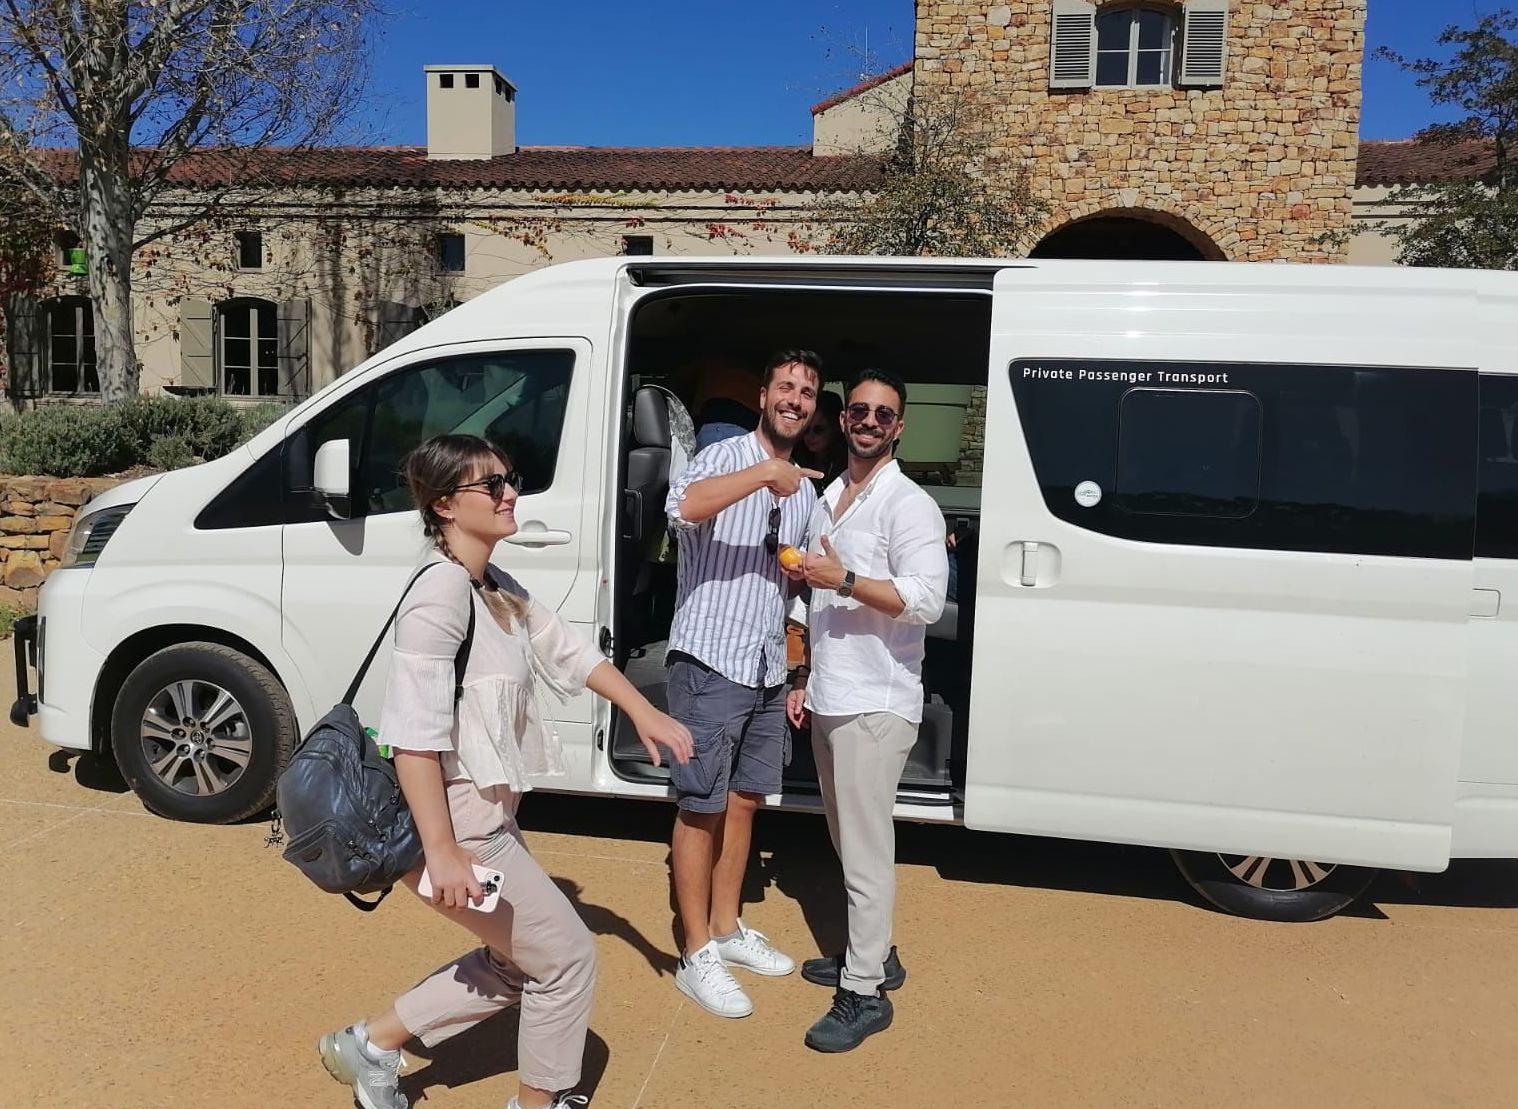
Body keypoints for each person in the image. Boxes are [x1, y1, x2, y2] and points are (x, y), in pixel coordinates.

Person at [319, 434, 693, 1109]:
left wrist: (644, 709)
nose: (510, 492)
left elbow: (571, 650)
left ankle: (371, 1045)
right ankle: (541, 1101)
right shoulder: (439, 594)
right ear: (443, 506)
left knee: (518, 961)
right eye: (490, 485)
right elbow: (413, 739)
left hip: (490, 816)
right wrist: (443, 853)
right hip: (462, 826)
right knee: (568, 958)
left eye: (508, 478)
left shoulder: (493, 584)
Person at [785, 369, 949, 1052]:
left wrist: (844, 578)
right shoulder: (831, 494)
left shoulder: (907, 504)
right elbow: (811, 591)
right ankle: (872, 952)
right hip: (831, 693)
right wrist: (800, 669)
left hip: (876, 701)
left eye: (884, 413)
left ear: (899, 426)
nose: (870, 420)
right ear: (844, 417)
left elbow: (925, 600)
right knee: (847, 840)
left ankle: (864, 992)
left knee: (865, 851)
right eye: (859, 409)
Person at [664, 349, 824, 1019]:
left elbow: (799, 580)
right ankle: (694, 950)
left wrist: (801, 663)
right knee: (700, 803)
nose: (795, 398)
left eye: (808, 392)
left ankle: (727, 927)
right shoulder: (721, 456)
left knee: (745, 800)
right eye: (786, 386)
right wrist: (764, 474)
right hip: (709, 656)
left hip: (762, 661)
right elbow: (683, 508)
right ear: (764, 395)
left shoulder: (809, 490)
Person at [797, 390, 847, 490]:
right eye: (805, 430)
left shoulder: (848, 465)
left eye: (818, 430)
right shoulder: (797, 460)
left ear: (836, 427)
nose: (810, 436)